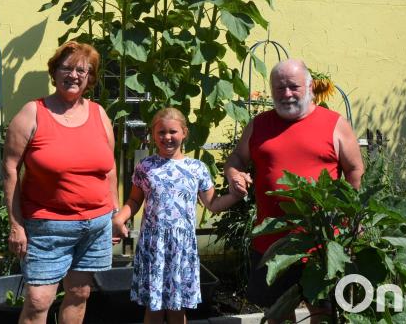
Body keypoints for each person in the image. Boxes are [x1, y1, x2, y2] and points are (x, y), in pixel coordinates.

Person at [223, 59, 364, 321]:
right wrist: (234, 174)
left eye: (293, 87)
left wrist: (352, 218)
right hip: (272, 244)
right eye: (279, 88)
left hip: (320, 243)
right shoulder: (259, 124)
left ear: (310, 87)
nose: (286, 94)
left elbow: (355, 170)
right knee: (277, 313)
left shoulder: (334, 124)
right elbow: (236, 160)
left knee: (323, 313)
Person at [2, 41, 118, 324]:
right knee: (38, 301)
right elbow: (10, 169)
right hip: (47, 227)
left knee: (79, 292)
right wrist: (16, 225)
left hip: (95, 225)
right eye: (66, 68)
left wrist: (114, 210)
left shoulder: (99, 114)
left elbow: (110, 167)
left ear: (90, 77)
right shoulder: (33, 113)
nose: (74, 75)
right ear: (54, 73)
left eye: (82, 70)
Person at [112, 107, 248, 324]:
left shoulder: (197, 168)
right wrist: (119, 218)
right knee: (153, 308)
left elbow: (212, 204)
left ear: (184, 133)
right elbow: (135, 200)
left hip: (181, 248)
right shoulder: (145, 167)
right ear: (153, 135)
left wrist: (235, 195)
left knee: (177, 309)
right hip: (153, 246)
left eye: (173, 132)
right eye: (161, 132)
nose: (167, 137)